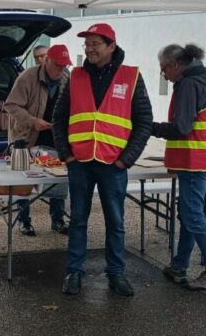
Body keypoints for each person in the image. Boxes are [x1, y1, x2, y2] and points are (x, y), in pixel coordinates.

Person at [53, 23, 154, 297]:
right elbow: (59, 119)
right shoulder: (75, 77)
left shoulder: (131, 76)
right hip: (81, 163)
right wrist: (67, 155)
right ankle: (74, 271)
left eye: (95, 43)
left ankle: (116, 273)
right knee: (77, 220)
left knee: (115, 221)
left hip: (113, 164)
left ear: (111, 46)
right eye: (86, 44)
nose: (89, 48)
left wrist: (127, 159)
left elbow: (144, 122)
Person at [152, 43, 206, 290]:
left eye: (163, 69)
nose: (164, 75)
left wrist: (150, 127)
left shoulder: (188, 84)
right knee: (191, 212)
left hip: (195, 158)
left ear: (176, 65)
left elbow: (182, 128)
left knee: (192, 215)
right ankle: (179, 265)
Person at [2, 43, 72, 236]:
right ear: (46, 60)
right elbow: (11, 105)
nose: (61, 70)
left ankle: (58, 219)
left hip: (55, 136)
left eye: (65, 66)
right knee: (24, 179)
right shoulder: (27, 77)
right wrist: (33, 121)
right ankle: (24, 221)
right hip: (26, 137)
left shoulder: (67, 79)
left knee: (59, 178)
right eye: (58, 65)